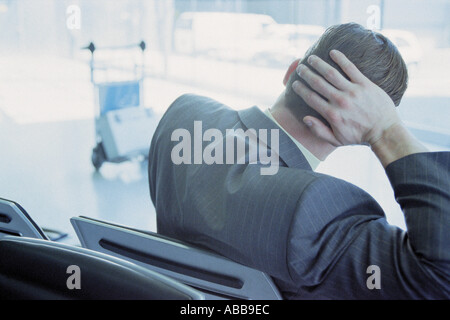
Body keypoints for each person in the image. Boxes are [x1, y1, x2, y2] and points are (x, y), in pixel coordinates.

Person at [148, 23, 449, 299]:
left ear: (291, 71)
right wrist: (387, 131)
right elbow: (440, 279)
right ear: (356, 127)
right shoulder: (317, 210)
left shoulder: (183, 117)